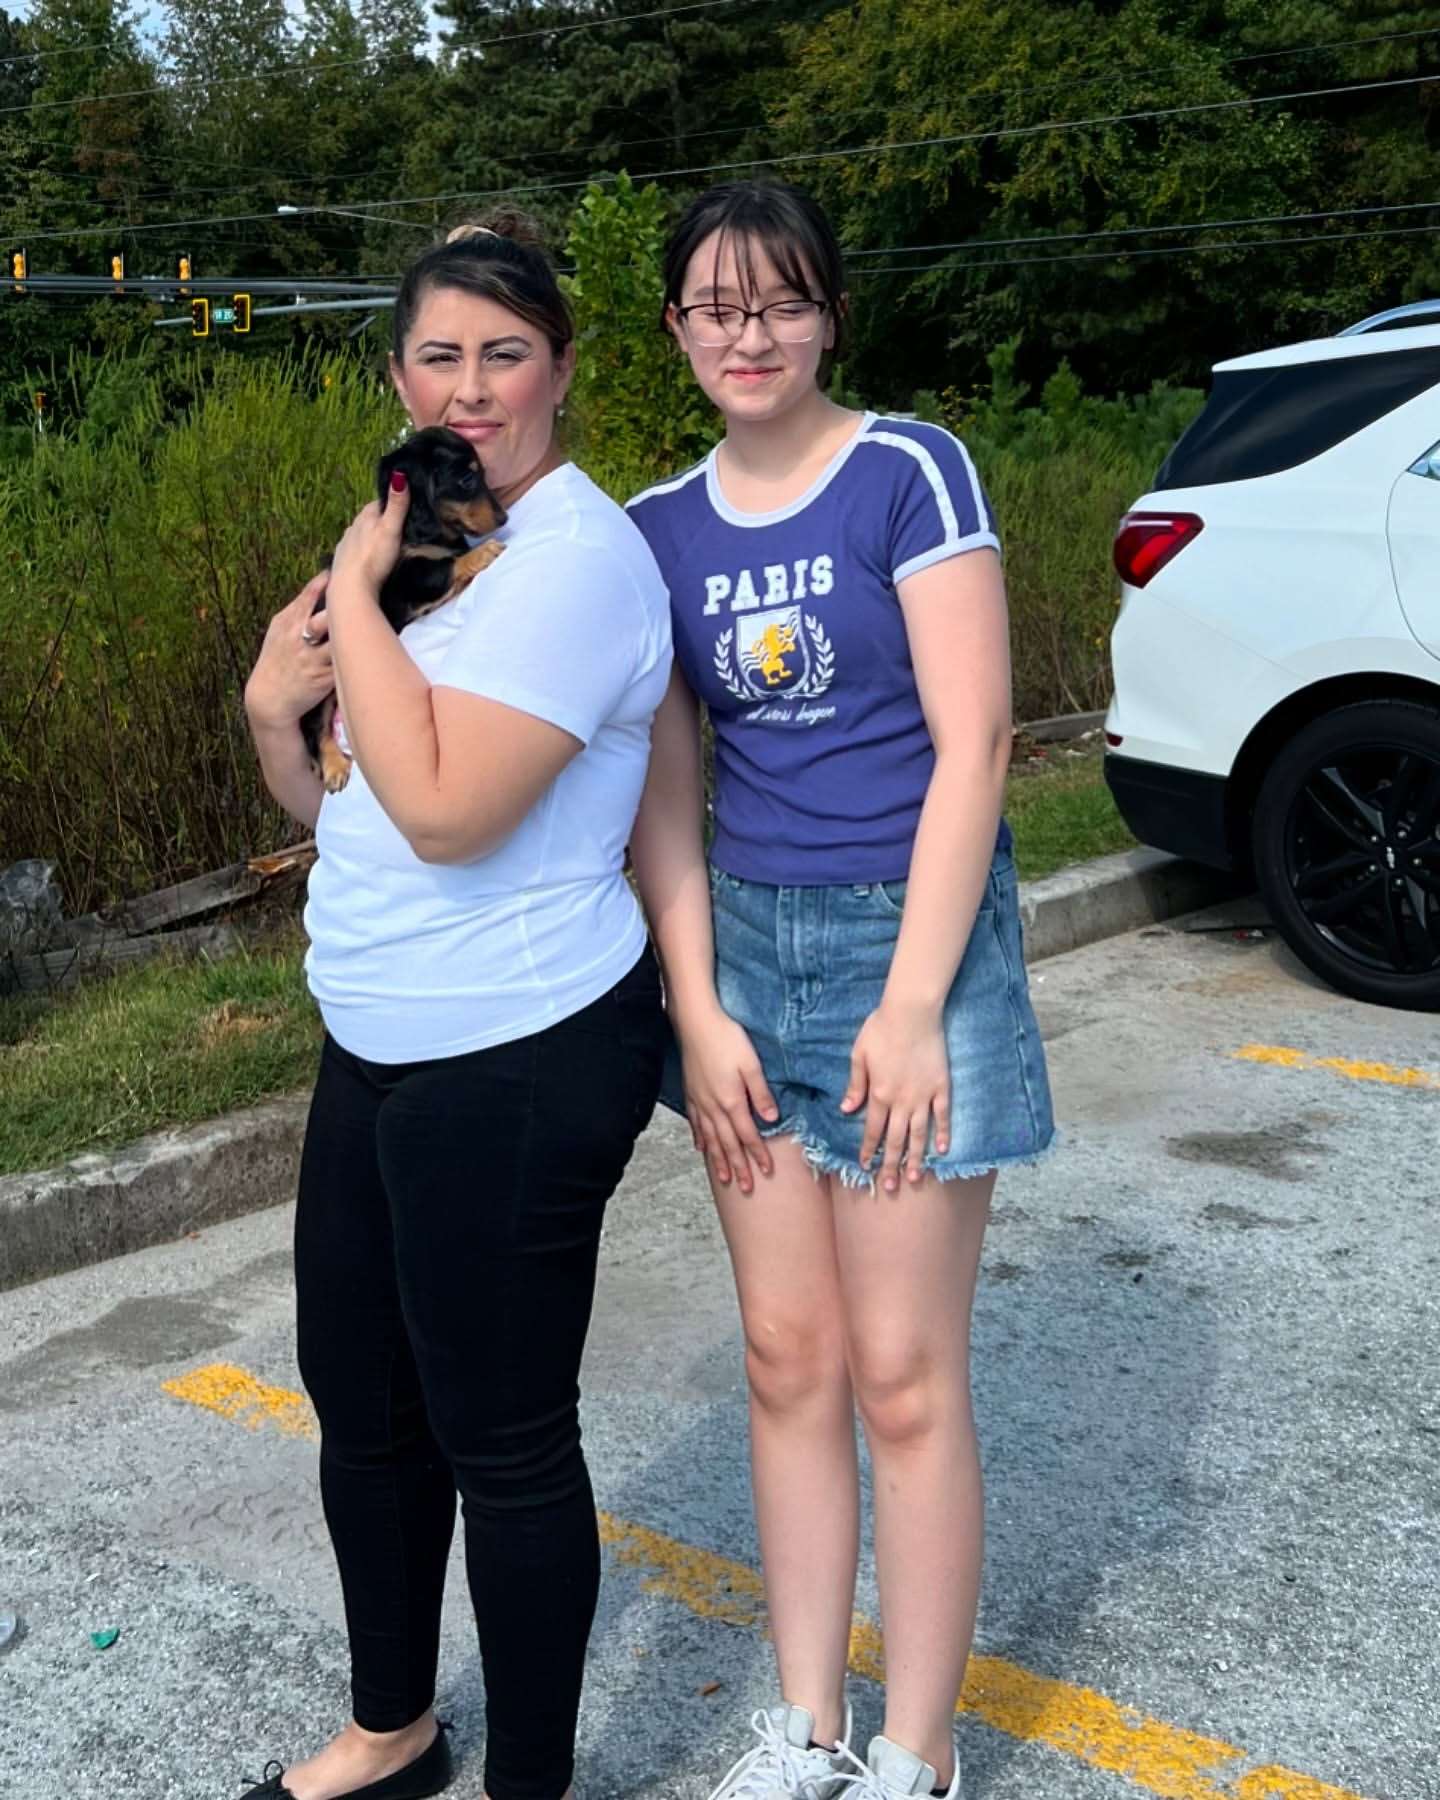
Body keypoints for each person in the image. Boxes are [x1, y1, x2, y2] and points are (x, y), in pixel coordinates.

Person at [627, 181, 1055, 1800]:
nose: (751, 336)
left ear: (831, 314)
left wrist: (914, 1001)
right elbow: (672, 785)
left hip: (909, 950)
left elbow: (978, 742)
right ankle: (805, 1728)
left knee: (900, 1372)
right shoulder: (661, 525)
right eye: (717, 309)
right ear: (675, 328)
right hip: (745, 949)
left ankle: (915, 1752)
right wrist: (698, 1003)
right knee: (786, 1360)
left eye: (783, 302)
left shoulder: (908, 471)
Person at [240, 212, 672, 1800]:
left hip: (519, 1047)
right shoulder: (424, 547)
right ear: (400, 369)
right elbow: (338, 791)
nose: (471, 386)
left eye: (504, 353)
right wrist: (266, 711)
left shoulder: (574, 563)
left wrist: (351, 589)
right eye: (441, 354)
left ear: (562, 368)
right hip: (371, 1043)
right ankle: (395, 1726)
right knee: (362, 1405)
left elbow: (446, 814)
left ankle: (532, 1787)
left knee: (501, 1435)